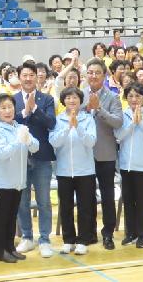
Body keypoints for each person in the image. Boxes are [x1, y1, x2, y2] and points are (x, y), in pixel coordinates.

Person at [0, 94, 39, 263]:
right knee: (1, 217)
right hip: (2, 181)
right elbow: (2, 154)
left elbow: (36, 147)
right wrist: (18, 140)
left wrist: (28, 140)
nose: (7, 111)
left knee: (11, 216)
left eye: (10, 107)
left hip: (18, 180)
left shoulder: (20, 127)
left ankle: (10, 247)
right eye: (3, 108)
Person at [13, 61, 57, 258]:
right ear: (19, 77)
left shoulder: (46, 99)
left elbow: (51, 123)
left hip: (42, 158)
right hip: (20, 158)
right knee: (22, 201)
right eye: (25, 75)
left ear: (38, 77)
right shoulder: (12, 99)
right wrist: (25, 112)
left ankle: (45, 239)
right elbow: (10, 121)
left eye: (32, 75)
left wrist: (35, 109)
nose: (28, 78)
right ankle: (27, 237)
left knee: (44, 201)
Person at [49, 87, 96, 255]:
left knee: (85, 207)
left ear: (80, 100)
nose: (72, 100)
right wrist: (68, 127)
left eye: (75, 97)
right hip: (64, 171)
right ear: (64, 101)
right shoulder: (58, 119)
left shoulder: (88, 119)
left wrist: (78, 127)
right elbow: (54, 142)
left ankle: (83, 240)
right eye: (68, 97)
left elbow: (91, 141)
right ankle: (68, 240)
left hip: (85, 170)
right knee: (66, 207)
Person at [82, 58, 123, 249]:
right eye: (90, 72)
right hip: (84, 153)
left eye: (97, 72)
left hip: (105, 153)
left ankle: (108, 234)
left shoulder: (112, 97)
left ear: (104, 75)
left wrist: (99, 109)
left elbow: (118, 122)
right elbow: (72, 116)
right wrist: (86, 107)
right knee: (87, 195)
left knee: (107, 196)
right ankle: (88, 233)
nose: (93, 75)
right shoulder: (79, 95)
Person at [115, 83, 143, 248]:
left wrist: (141, 122)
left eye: (138, 96)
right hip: (126, 165)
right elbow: (118, 136)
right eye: (131, 96)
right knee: (128, 200)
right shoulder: (123, 115)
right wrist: (132, 123)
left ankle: (142, 234)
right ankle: (130, 233)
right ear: (126, 98)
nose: (134, 99)